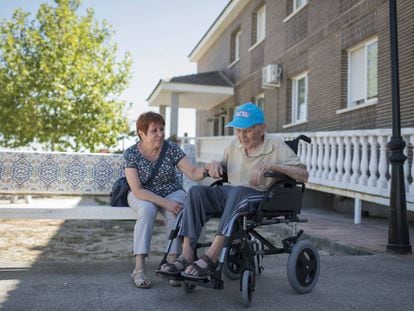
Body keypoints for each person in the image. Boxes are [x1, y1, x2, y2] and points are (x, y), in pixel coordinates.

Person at [159, 102, 308, 279]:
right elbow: (224, 167)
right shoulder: (234, 144)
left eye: (247, 130)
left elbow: (303, 174)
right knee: (195, 193)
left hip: (260, 195)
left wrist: (273, 166)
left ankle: (211, 257)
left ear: (262, 129)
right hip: (232, 193)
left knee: (239, 192)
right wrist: (215, 165)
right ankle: (186, 256)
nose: (242, 136)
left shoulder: (276, 145)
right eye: (238, 130)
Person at [124, 111, 207, 288]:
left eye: (162, 129)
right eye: (154, 130)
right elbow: (137, 190)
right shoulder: (131, 153)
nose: (160, 134)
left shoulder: (171, 149)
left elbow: (193, 172)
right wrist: (165, 203)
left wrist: (207, 169)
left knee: (176, 211)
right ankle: (139, 269)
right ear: (142, 133)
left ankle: (173, 264)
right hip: (143, 193)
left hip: (170, 191)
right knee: (147, 210)